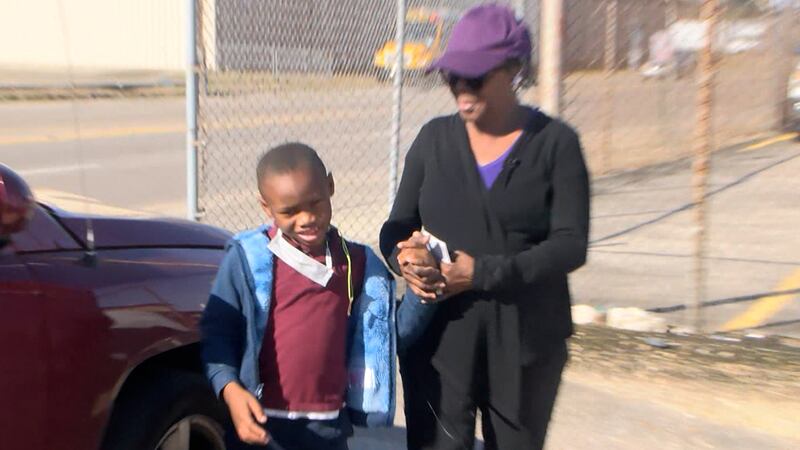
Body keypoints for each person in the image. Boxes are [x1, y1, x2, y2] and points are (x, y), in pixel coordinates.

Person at [379, 4, 590, 450]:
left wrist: (482, 273)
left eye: (474, 77)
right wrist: (406, 257)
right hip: (441, 341)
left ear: (513, 69)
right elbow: (397, 225)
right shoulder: (433, 140)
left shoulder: (556, 144)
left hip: (525, 340)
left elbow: (571, 245)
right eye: (451, 76)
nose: (460, 88)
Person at [201, 143, 396, 450]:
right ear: (267, 208)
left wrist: (425, 292)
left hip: (328, 427)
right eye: (289, 211)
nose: (306, 219)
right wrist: (230, 389)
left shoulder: (357, 262)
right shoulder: (248, 260)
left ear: (330, 186)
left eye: (315, 203)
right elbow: (218, 333)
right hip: (261, 423)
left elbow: (386, 330)